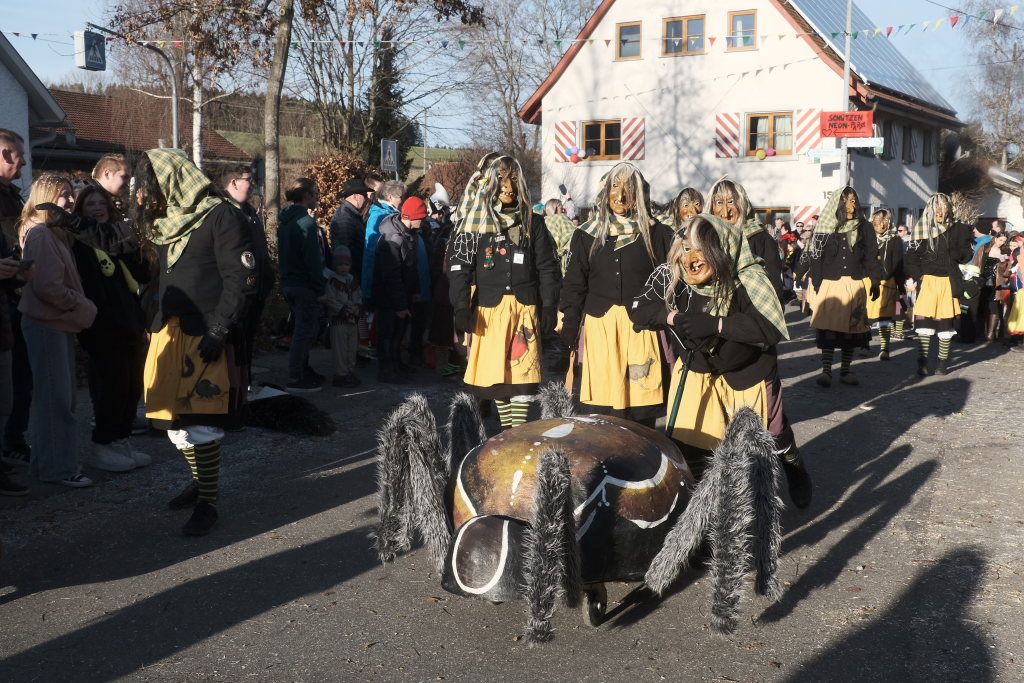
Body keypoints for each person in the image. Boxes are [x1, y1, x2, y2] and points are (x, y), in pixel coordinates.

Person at [630, 213, 811, 507]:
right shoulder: (673, 275)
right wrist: (672, 317)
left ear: (719, 249)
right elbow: (638, 308)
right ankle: (702, 512)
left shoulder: (749, 279)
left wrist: (716, 324)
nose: (692, 258)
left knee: (771, 437)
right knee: (691, 444)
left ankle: (792, 463)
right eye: (687, 248)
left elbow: (768, 329)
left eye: (700, 249)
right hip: (698, 371)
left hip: (749, 374)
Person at [132, 149, 255, 535]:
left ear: (172, 180)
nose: (148, 192)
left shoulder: (221, 215)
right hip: (169, 332)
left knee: (202, 422)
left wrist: (219, 330)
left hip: (206, 331)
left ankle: (208, 502)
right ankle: (201, 481)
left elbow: (239, 279)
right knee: (173, 423)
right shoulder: (167, 221)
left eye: (152, 183)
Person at [448, 155, 560, 429]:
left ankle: (515, 433)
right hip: (489, 312)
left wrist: (549, 306)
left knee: (522, 379)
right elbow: (459, 268)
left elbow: (547, 267)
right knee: (498, 380)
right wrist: (460, 307)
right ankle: (506, 433)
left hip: (524, 310)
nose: (508, 187)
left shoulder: (533, 222)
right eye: (501, 179)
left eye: (513, 179)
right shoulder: (474, 223)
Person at [559, 163, 672, 425]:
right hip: (601, 330)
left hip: (642, 330)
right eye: (615, 187)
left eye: (628, 188)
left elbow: (668, 282)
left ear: (639, 194)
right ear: (605, 191)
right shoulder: (586, 235)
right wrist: (570, 323)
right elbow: (575, 284)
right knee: (601, 412)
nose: (620, 196)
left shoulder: (657, 233)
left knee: (640, 407)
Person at [18, 174, 97, 487]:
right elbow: (48, 287)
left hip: (55, 323)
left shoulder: (53, 232)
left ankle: (46, 466)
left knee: (56, 398)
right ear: (47, 196)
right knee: (57, 400)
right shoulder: (41, 234)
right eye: (64, 194)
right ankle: (59, 469)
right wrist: (83, 306)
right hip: (46, 324)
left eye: (70, 194)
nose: (70, 201)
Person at [72, 185, 153, 472]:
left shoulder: (120, 237)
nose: (97, 208)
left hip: (129, 321)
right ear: (80, 211)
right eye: (90, 204)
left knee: (132, 386)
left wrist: (129, 248)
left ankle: (122, 439)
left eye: (101, 203)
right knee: (111, 387)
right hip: (102, 327)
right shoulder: (80, 243)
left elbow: (144, 273)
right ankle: (103, 444)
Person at [801, 187, 882, 387]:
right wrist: (817, 284)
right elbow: (817, 258)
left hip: (855, 285)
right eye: (846, 201)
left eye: (853, 200)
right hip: (830, 285)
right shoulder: (826, 227)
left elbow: (871, 256)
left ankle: (845, 371)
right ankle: (826, 371)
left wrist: (875, 281)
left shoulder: (864, 227)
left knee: (851, 331)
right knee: (828, 330)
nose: (851, 205)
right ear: (838, 204)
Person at [903, 193, 973, 376]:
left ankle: (942, 363)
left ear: (949, 208)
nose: (941, 211)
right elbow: (911, 259)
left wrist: (955, 251)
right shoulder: (923, 228)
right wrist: (919, 277)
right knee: (924, 325)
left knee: (945, 325)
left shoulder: (958, 229)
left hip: (948, 282)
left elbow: (966, 255)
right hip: (928, 282)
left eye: (944, 207)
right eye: (937, 208)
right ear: (931, 209)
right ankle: (922, 362)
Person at [221, 165, 274, 392]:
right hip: (235, 291)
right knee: (234, 342)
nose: (252, 185)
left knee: (247, 340)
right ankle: (233, 389)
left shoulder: (250, 211)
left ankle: (246, 383)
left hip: (256, 289)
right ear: (233, 182)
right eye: (248, 180)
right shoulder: (223, 211)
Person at [0, 129, 32, 468]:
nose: (21, 162)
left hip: (13, 301)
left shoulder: (12, 196)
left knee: (17, 383)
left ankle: (12, 442)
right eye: (16, 155)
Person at [278, 177, 326, 393]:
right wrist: (320, 287)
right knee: (304, 331)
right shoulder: (306, 223)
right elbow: (313, 260)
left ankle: (303, 370)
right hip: (304, 284)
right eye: (315, 193)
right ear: (306, 196)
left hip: (289, 282)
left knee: (302, 328)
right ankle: (296, 376)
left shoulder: (286, 221)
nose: (317, 198)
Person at [374, 196, 425, 383]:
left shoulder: (410, 234)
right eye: (422, 218)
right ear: (412, 217)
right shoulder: (392, 238)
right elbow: (391, 275)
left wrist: (415, 290)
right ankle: (386, 369)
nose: (423, 221)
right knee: (388, 332)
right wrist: (400, 305)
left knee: (399, 331)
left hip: (403, 293)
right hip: (389, 296)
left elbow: (412, 265)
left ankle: (396, 363)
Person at [707, 179, 785, 302]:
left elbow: (774, 284)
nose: (725, 212)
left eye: (731, 202)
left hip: (751, 308)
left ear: (743, 204)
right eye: (719, 203)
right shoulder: (708, 239)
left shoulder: (760, 239)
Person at [864, 209, 903, 361]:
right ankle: (865, 344)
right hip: (869, 281)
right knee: (866, 315)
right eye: (876, 223)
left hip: (886, 282)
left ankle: (884, 347)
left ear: (888, 223)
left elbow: (897, 263)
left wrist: (900, 285)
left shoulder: (894, 240)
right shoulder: (868, 238)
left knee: (884, 316)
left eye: (882, 223)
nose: (879, 226)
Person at [322, 246, 362, 387]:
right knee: (340, 348)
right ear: (335, 265)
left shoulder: (353, 280)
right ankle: (341, 375)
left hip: (352, 320)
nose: (344, 267)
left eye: (346, 264)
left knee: (352, 347)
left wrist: (357, 307)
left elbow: (359, 296)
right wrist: (343, 309)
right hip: (339, 320)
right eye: (340, 264)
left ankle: (350, 371)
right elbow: (330, 299)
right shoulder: (332, 280)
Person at [362, 180, 405, 305]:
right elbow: (372, 251)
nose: (403, 201)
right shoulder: (380, 216)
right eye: (401, 197)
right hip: (380, 280)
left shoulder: (388, 214)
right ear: (390, 197)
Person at [328, 179, 369, 281]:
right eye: (364, 195)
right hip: (350, 276)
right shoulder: (345, 218)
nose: (366, 199)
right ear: (355, 196)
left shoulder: (351, 214)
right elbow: (344, 251)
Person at [542, 198, 575, 275]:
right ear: (554, 208)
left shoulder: (543, 221)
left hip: (546, 261)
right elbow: (574, 235)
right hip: (562, 261)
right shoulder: (561, 218)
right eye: (561, 207)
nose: (563, 210)